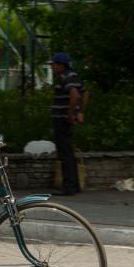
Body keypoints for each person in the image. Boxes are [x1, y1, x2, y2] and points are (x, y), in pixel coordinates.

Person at [50, 52, 84, 196]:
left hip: (62, 119)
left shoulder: (66, 77)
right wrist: (80, 112)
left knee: (65, 154)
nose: (52, 67)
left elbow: (75, 95)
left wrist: (70, 114)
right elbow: (85, 93)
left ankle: (68, 187)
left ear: (60, 65)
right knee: (69, 153)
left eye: (54, 65)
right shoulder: (74, 76)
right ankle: (74, 185)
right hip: (65, 119)